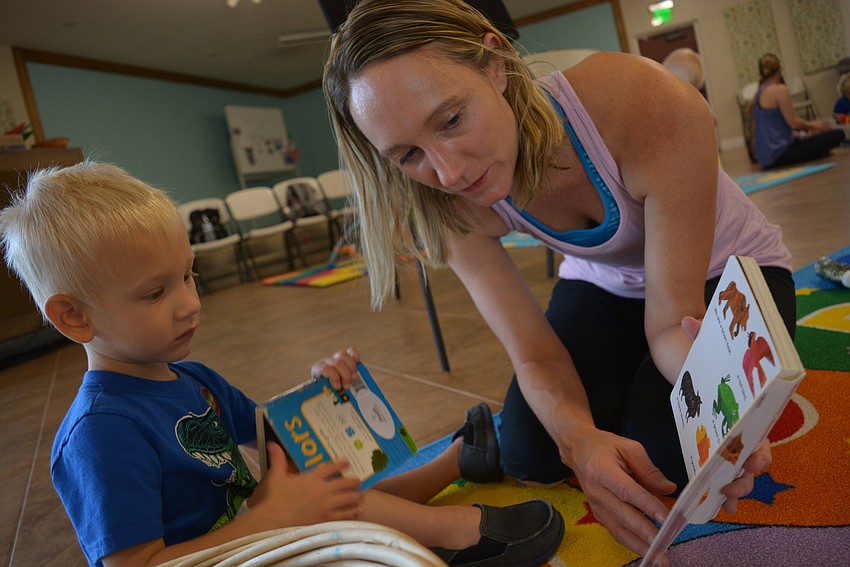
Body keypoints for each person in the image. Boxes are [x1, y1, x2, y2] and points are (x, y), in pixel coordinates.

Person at [322, 0, 797, 560]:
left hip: (728, 270)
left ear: (495, 62)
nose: (448, 173)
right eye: (407, 154)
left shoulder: (644, 102)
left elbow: (671, 322)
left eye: (451, 120)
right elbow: (537, 358)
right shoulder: (440, 202)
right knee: (531, 450)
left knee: (665, 460)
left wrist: (726, 411)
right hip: (602, 281)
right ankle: (507, 435)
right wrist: (580, 442)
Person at [0, 161, 565, 567]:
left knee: (328, 486)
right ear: (74, 317)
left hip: (259, 528)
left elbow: (280, 445)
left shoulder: (192, 379)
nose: (190, 303)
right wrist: (269, 519)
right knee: (333, 514)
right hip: (241, 549)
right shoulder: (100, 434)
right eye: (154, 294)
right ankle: (454, 533)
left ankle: (457, 464)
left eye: (189, 275)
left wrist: (322, 394)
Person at [750, 53, 845, 168]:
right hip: (779, 155)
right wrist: (816, 125)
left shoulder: (756, 95)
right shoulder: (780, 90)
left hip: (765, 158)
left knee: (810, 140)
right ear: (780, 69)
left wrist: (802, 134)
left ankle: (816, 152)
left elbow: (764, 130)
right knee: (838, 134)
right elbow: (794, 123)